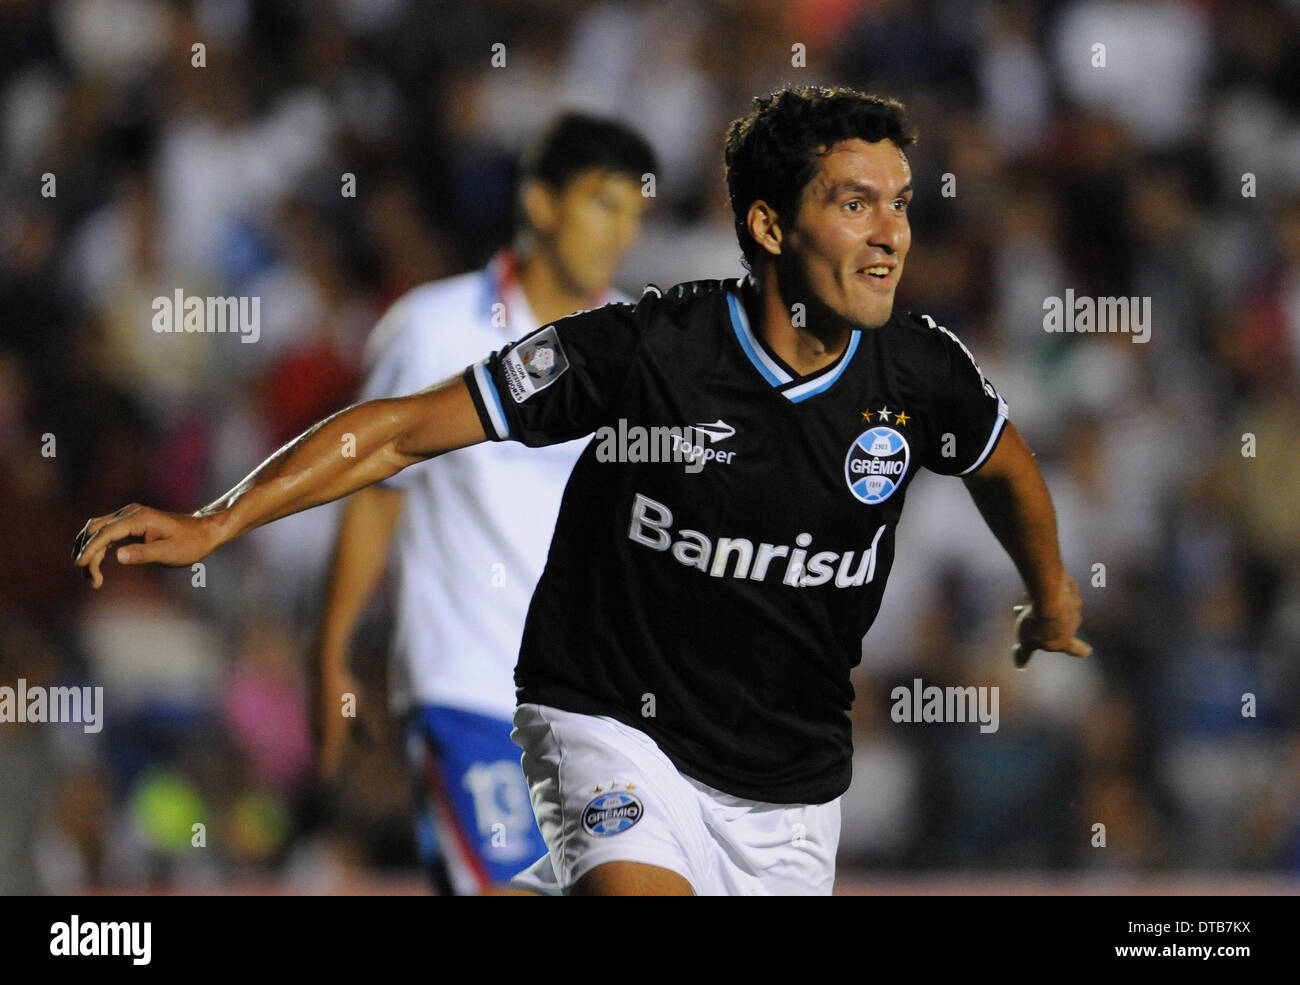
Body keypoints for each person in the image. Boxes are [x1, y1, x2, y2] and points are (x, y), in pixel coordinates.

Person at [74, 85, 1090, 897]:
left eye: (900, 203)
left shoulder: (921, 373)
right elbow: (398, 431)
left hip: (789, 784)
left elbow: (1003, 465)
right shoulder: (646, 350)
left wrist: (1049, 595)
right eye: (854, 202)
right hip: (610, 719)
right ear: (771, 227)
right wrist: (215, 522)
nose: (890, 235)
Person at [311, 112, 655, 895]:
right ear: (539, 203)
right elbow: (374, 494)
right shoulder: (434, 330)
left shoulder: (646, 345)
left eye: (634, 213)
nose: (621, 233)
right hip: (468, 690)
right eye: (604, 204)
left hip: (608, 715)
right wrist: (328, 652)